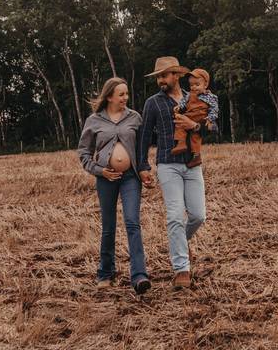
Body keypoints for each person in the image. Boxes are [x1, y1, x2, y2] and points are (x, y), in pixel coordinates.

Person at [137, 56, 215, 290]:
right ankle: (181, 269)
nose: (160, 80)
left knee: (199, 215)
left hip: (192, 163)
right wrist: (142, 165)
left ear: (177, 76)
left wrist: (195, 126)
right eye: (158, 76)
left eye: (164, 75)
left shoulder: (197, 97)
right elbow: (144, 136)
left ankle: (179, 242)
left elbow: (212, 129)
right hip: (167, 164)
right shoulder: (153, 103)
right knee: (174, 216)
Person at [77, 77, 151, 294]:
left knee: (132, 223)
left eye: (126, 94)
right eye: (121, 94)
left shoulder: (135, 118)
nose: (125, 98)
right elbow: (83, 152)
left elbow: (142, 148)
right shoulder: (94, 120)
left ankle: (139, 276)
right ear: (109, 96)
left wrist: (144, 170)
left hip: (130, 177)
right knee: (108, 227)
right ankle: (105, 273)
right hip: (106, 178)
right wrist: (100, 171)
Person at [171, 68, 219, 168]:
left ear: (205, 85)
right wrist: (179, 107)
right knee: (180, 122)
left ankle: (196, 155)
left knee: (195, 135)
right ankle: (182, 144)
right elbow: (183, 103)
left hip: (201, 117)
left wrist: (210, 119)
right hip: (190, 115)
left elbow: (214, 109)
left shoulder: (210, 97)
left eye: (197, 85)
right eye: (191, 85)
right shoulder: (189, 95)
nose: (193, 87)